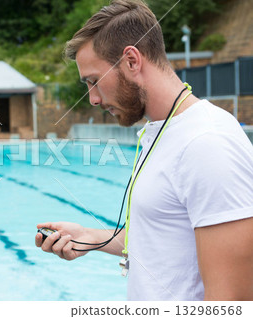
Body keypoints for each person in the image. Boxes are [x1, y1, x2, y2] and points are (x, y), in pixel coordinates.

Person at [35, 0, 253, 301]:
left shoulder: (207, 143)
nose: (93, 99)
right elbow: (165, 235)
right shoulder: (163, 131)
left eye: (94, 81)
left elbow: (231, 300)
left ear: (132, 61)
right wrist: (92, 238)